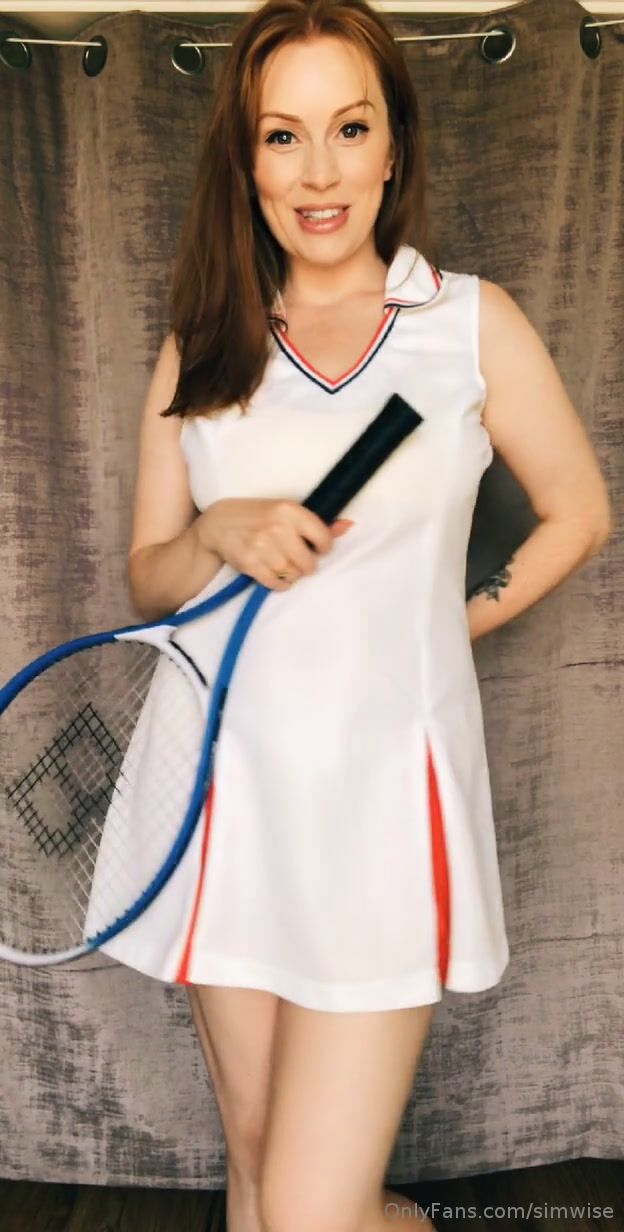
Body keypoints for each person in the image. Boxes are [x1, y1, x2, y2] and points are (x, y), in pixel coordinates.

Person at [118, 1, 612, 1229]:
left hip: (381, 808)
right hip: (219, 793)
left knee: (309, 1211)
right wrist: (215, 535)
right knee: (254, 1176)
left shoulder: (469, 324)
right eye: (282, 136)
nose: (319, 171)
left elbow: (578, 513)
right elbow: (148, 576)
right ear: (246, 161)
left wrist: (439, 627)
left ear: (395, 145)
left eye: (350, 128)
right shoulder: (202, 345)